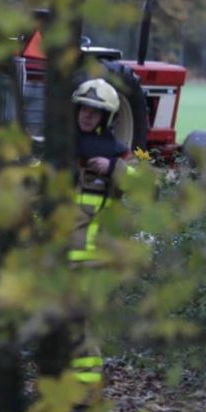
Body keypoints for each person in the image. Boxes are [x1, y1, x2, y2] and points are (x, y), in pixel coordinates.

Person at [69, 78, 137, 385]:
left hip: (95, 260)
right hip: (61, 258)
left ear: (106, 118)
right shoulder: (63, 151)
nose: (87, 115)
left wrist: (113, 170)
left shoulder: (117, 156)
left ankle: (84, 389)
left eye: (95, 112)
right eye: (84, 109)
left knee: (81, 323)